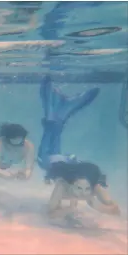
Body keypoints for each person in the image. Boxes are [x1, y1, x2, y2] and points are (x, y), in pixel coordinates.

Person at [37, 75, 120, 220]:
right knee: (51, 131)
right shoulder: (63, 186)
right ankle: (57, 111)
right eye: (80, 188)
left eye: (86, 189)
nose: (83, 193)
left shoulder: (94, 187)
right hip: (58, 161)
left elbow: (116, 209)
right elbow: (50, 214)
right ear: (71, 183)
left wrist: (98, 207)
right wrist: (70, 208)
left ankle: (59, 112)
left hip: (59, 161)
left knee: (50, 141)